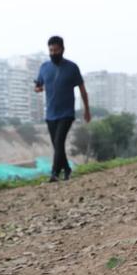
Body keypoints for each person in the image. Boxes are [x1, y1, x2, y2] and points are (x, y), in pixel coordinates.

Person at [34, 35, 90, 182]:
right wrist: (38, 88)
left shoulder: (72, 67)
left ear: (62, 50)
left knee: (58, 143)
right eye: (51, 50)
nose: (53, 53)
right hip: (50, 114)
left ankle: (54, 173)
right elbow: (38, 86)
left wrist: (87, 110)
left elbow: (83, 90)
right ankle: (67, 169)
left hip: (66, 113)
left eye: (56, 50)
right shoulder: (44, 67)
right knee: (57, 145)